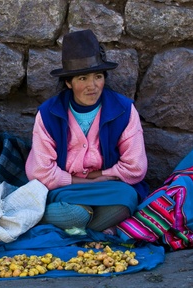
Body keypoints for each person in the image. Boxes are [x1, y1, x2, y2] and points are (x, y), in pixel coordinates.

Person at [25, 29, 149, 235]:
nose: (92, 86)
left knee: (126, 198)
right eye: (82, 78)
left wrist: (100, 176)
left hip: (109, 190)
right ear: (68, 82)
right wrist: (85, 181)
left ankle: (69, 228)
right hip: (66, 191)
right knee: (76, 214)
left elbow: (135, 168)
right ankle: (93, 227)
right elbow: (40, 172)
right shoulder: (49, 113)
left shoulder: (123, 110)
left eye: (98, 77)